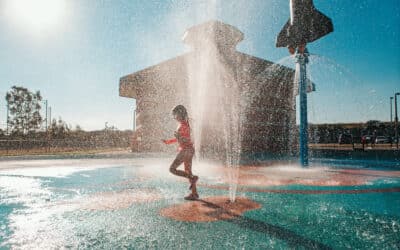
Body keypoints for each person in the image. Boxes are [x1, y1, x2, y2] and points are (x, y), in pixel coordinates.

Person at [162, 105, 199, 200]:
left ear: (179, 114)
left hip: (186, 150)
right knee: (188, 171)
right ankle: (194, 194)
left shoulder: (184, 125)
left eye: (175, 114)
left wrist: (179, 137)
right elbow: (180, 138)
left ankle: (193, 178)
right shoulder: (184, 124)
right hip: (189, 150)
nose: (174, 117)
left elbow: (186, 139)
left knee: (172, 169)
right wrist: (168, 141)